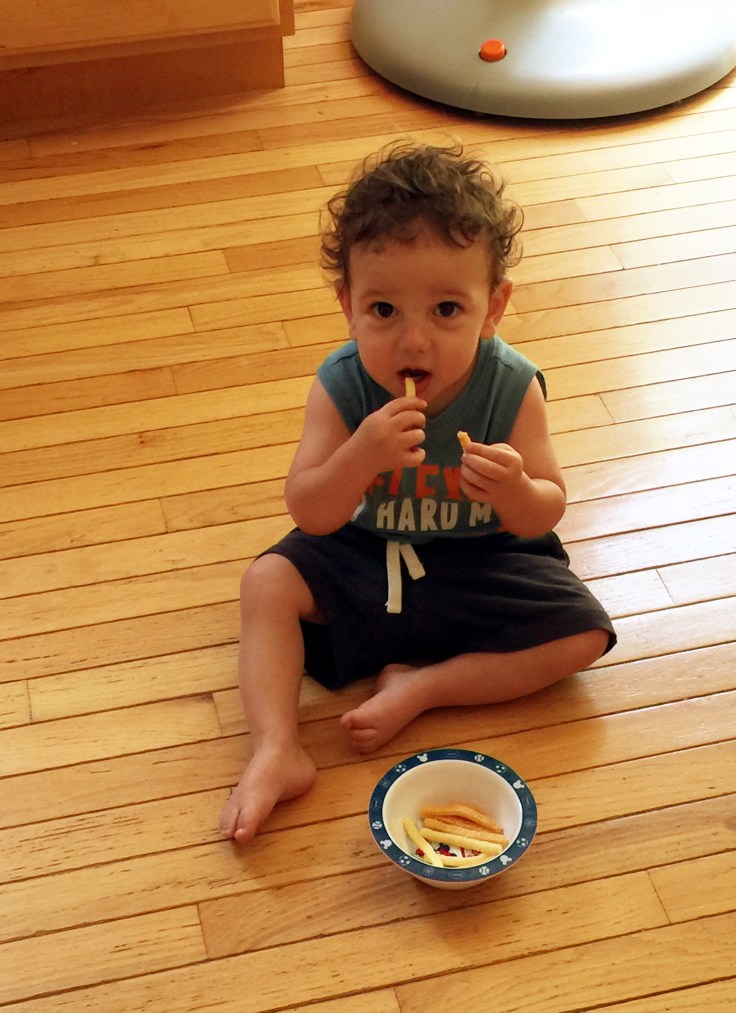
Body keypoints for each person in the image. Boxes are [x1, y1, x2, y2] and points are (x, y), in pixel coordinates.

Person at [219, 142, 616, 843]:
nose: (414, 340)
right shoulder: (342, 385)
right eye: (383, 309)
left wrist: (515, 489)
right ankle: (276, 750)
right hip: (366, 547)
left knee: (583, 633)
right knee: (267, 584)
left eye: (445, 309)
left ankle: (425, 686)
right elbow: (310, 510)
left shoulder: (510, 386)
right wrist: (359, 457)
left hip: (483, 554)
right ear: (347, 306)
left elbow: (547, 508)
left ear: (493, 309)